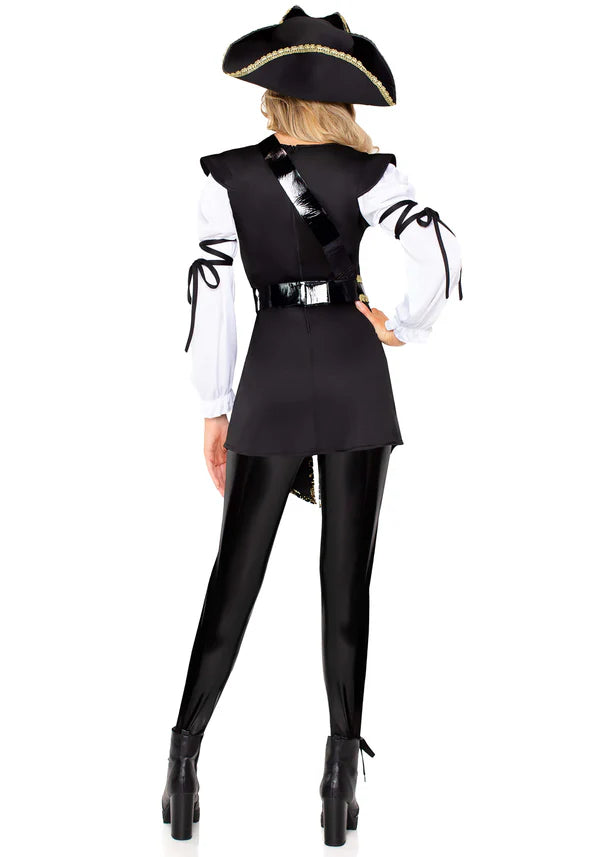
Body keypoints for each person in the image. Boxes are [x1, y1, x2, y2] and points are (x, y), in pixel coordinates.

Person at [162, 6, 463, 844]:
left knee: (233, 575)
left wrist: (214, 405)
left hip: (270, 383)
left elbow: (212, 294)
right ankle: (338, 781)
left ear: (273, 94)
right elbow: (439, 250)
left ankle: (183, 761)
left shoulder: (226, 175)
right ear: (341, 99)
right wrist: (404, 324)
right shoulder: (374, 173)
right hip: (356, 377)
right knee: (346, 585)